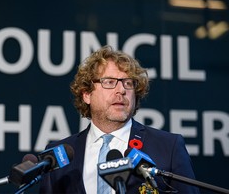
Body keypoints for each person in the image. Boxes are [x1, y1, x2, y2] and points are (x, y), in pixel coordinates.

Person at [39, 45, 199, 193]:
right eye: (109, 82)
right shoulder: (57, 157)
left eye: (128, 83)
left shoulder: (168, 148)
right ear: (86, 94)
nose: (121, 90)